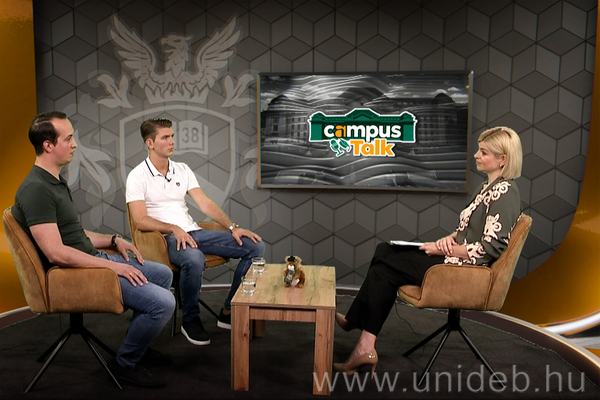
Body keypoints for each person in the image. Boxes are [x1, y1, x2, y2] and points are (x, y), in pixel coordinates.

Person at [334, 126, 523, 376]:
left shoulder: (505, 192)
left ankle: (357, 325)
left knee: (385, 258)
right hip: (455, 259)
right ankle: (364, 345)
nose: (476, 155)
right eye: (479, 150)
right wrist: (447, 240)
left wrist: (447, 249)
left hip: (465, 271)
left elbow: (491, 247)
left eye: (484, 152)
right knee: (384, 261)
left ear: (503, 159)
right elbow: (466, 231)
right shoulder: (486, 187)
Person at [12, 111, 176, 389]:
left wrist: (113, 240)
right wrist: (114, 266)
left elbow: (74, 235)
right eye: (68, 139)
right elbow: (56, 253)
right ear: (48, 146)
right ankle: (125, 363)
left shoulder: (54, 181)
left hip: (90, 259)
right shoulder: (36, 189)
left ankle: (139, 344)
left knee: (162, 274)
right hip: (73, 274)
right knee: (164, 303)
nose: (74, 144)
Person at [126, 117, 265, 346]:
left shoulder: (182, 169)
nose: (172, 141)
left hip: (194, 232)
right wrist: (174, 229)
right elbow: (140, 220)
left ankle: (229, 311)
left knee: (255, 247)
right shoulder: (137, 176)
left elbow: (205, 204)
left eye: (172, 136)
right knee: (194, 258)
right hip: (164, 239)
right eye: (165, 137)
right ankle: (190, 319)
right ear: (150, 143)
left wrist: (233, 227)